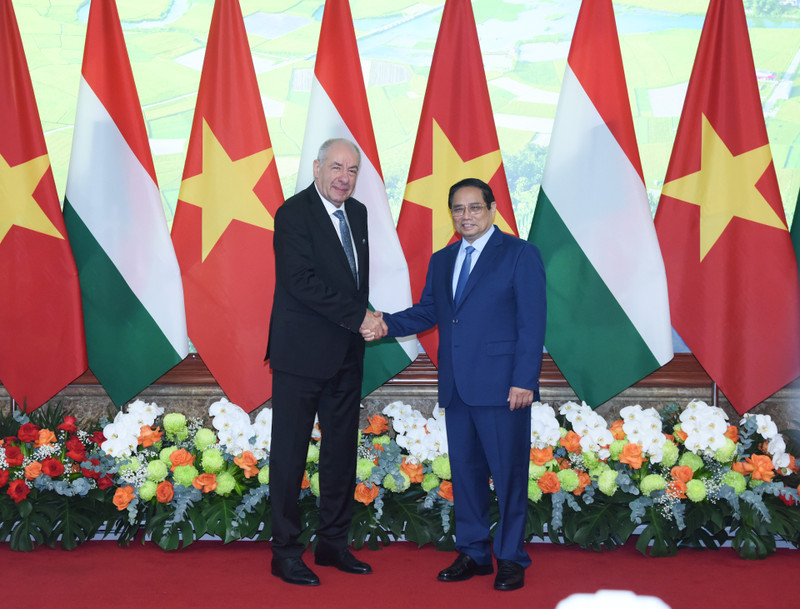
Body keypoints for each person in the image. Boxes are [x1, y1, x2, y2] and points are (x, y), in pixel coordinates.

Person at [367, 178, 545, 591]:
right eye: (458, 209)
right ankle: (474, 552)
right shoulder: (442, 260)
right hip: (457, 386)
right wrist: (385, 323)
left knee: (509, 475)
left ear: (493, 208)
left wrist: (524, 380)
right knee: (465, 474)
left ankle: (512, 557)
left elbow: (531, 323)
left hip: (504, 388)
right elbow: (429, 310)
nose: (466, 216)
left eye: (474, 208)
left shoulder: (520, 254)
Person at [267, 138, 386, 586]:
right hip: (300, 356)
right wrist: (361, 318)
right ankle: (284, 551)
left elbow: (353, 283)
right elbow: (301, 282)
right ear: (316, 168)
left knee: (340, 455)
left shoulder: (357, 214)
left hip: (346, 355)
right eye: (336, 167)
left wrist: (365, 322)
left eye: (352, 170)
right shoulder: (293, 213)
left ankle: (333, 543)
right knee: (290, 455)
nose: (344, 177)